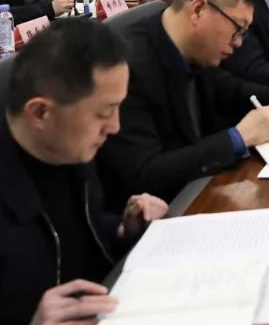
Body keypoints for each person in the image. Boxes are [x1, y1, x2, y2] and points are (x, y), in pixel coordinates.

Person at [98, 0, 269, 205]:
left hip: (198, 188)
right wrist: (238, 138)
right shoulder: (125, 68)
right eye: (238, 29)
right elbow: (144, 175)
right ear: (198, 10)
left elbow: (225, 87)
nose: (238, 43)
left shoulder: (187, 44)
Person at [0, 19, 168, 325]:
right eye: (104, 112)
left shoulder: (70, 147)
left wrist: (123, 230)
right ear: (40, 112)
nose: (115, 126)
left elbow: (78, 234)